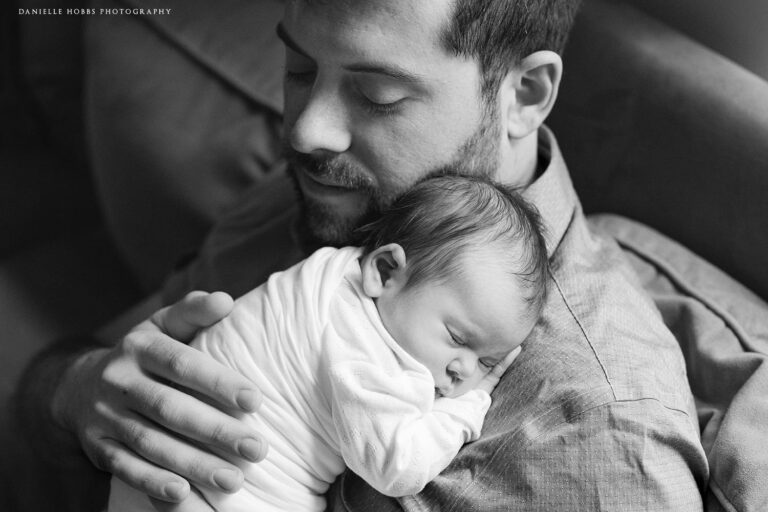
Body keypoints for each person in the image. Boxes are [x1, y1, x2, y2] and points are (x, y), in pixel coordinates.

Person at [15, 0, 709, 510]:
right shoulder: (340, 200)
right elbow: (72, 378)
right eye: (297, 67)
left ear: (523, 94)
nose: (306, 129)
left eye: (378, 95)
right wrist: (73, 392)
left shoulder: (592, 439)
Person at [109, 175, 548, 511]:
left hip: (152, 457)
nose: (464, 371)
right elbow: (398, 469)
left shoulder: (331, 271)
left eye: (485, 360)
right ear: (385, 272)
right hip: (219, 495)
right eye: (457, 338)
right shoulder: (366, 354)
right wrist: (468, 407)